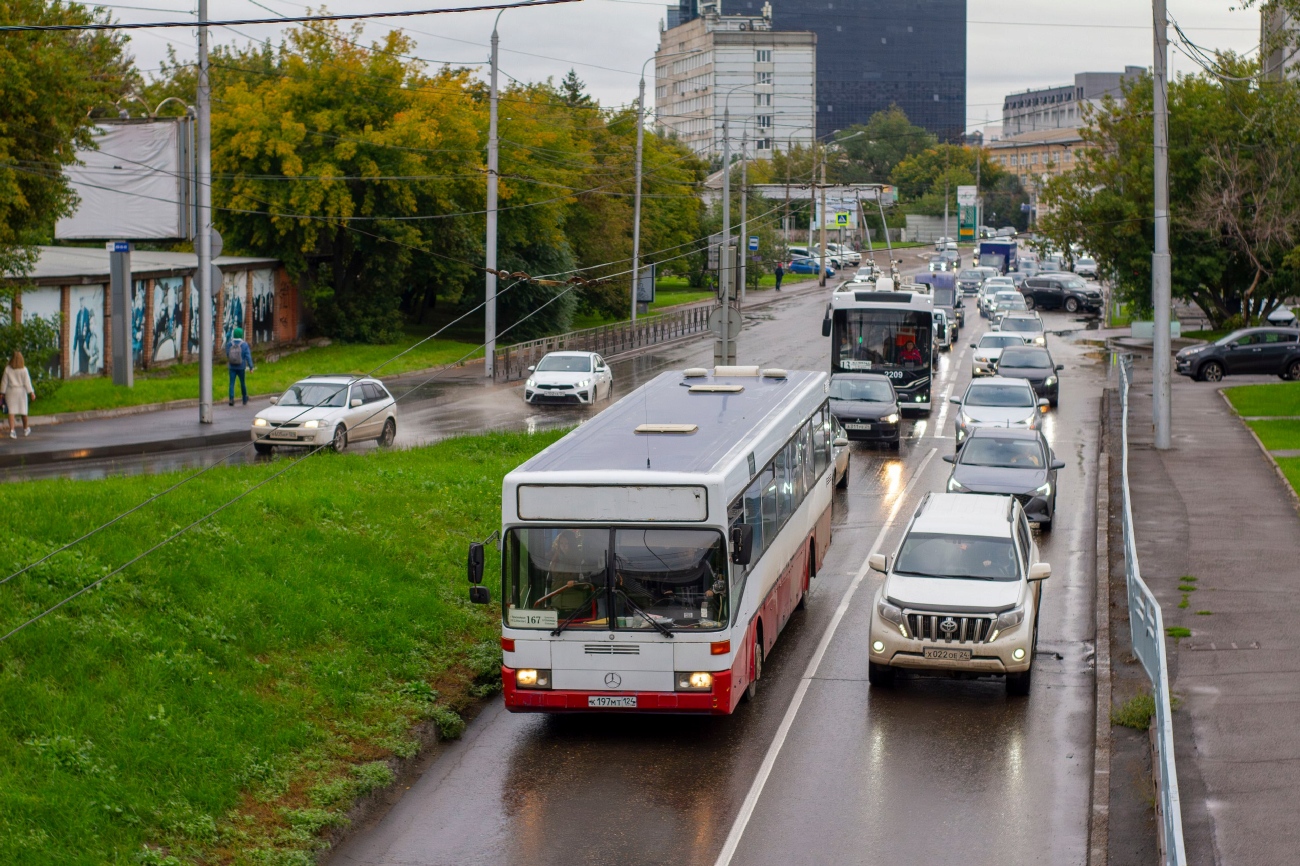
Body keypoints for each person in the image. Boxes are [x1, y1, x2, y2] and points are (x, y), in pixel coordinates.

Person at [2, 351, 36, 438]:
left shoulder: (7, 369)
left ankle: (12, 431)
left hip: (11, 391)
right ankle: (25, 429)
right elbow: (27, 382)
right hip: (21, 392)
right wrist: (31, 393)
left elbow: (4, 382)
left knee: (11, 412)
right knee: (23, 411)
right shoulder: (24, 370)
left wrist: (2, 393)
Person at [224, 327, 255, 406]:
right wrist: (251, 367)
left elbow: (228, 354)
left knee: (231, 383)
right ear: (241, 334)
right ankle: (244, 398)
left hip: (232, 367)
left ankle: (231, 399)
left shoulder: (229, 344)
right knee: (242, 383)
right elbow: (248, 356)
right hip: (241, 367)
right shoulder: (244, 345)